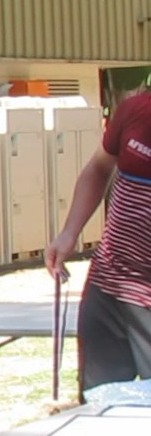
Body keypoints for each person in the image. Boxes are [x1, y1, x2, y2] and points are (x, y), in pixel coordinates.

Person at [45, 88, 151, 394]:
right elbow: (99, 167)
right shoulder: (134, 110)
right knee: (97, 403)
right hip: (108, 284)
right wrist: (69, 233)